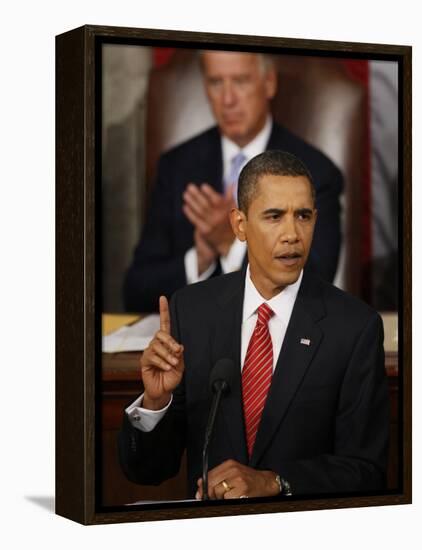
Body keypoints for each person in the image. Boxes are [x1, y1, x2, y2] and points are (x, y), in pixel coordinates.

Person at [118, 150, 389, 499]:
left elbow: (367, 471)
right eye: (274, 216)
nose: (292, 234)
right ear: (239, 225)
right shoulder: (192, 311)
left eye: (303, 216)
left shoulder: (354, 328)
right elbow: (149, 471)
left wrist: (276, 482)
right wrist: (156, 402)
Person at [123, 51, 343, 313]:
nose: (228, 99)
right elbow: (136, 290)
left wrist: (233, 243)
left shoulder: (314, 171)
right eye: (216, 83)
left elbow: (317, 281)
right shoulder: (177, 166)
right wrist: (200, 257)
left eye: (240, 81)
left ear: (269, 83)